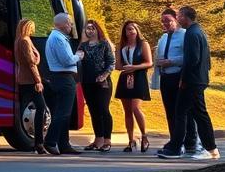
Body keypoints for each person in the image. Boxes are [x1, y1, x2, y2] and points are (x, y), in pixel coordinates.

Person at [158, 6, 220, 160]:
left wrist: (183, 79)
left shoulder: (191, 33)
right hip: (198, 79)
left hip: (192, 81)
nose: (178, 19)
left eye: (179, 16)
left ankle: (176, 148)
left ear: (185, 17)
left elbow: (192, 60)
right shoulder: (198, 31)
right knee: (199, 114)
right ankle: (211, 149)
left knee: (181, 113)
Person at [153, 8, 198, 157]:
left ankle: (190, 142)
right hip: (165, 78)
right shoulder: (164, 37)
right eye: (163, 20)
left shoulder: (185, 35)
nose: (165, 23)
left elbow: (189, 57)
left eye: (168, 20)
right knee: (170, 112)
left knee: (183, 112)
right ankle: (175, 141)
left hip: (179, 77)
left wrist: (171, 61)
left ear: (176, 20)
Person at [43, 12, 84, 155]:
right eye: (69, 23)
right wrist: (78, 56)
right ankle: (50, 141)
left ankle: (64, 144)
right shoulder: (58, 39)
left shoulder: (55, 37)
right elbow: (66, 60)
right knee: (63, 112)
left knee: (62, 112)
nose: (71, 25)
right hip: (64, 77)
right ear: (63, 24)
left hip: (58, 77)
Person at [115, 20, 153, 152]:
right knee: (127, 111)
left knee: (135, 108)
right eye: (127, 30)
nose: (130, 32)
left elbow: (149, 62)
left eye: (132, 29)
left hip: (139, 77)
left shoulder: (143, 44)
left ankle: (144, 136)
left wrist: (134, 67)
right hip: (125, 77)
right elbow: (117, 66)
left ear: (137, 31)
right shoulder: (121, 46)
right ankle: (130, 140)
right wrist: (123, 66)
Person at [77, 19, 115, 152]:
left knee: (103, 109)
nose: (90, 30)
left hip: (102, 82)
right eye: (88, 28)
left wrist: (104, 75)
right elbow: (77, 58)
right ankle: (98, 139)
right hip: (87, 81)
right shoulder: (83, 45)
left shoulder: (104, 44)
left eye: (92, 28)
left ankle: (107, 140)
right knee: (94, 111)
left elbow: (111, 62)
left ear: (97, 29)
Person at [14, 17, 50, 154]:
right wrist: (38, 81)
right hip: (30, 80)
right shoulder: (25, 41)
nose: (33, 30)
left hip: (23, 79)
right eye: (32, 27)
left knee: (30, 107)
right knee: (41, 108)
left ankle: (38, 143)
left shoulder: (18, 40)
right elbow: (31, 63)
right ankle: (39, 143)